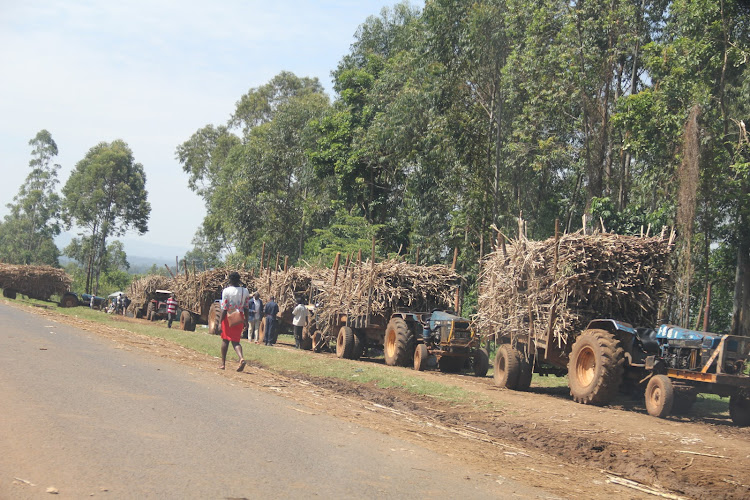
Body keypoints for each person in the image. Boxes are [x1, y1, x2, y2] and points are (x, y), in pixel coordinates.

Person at [219, 272, 249, 371]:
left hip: (228, 317)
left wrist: (220, 322)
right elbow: (246, 307)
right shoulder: (245, 291)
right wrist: (246, 321)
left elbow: (224, 308)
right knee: (236, 341)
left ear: (230, 280)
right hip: (239, 317)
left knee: (225, 340)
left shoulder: (226, 291)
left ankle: (223, 364)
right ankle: (241, 358)